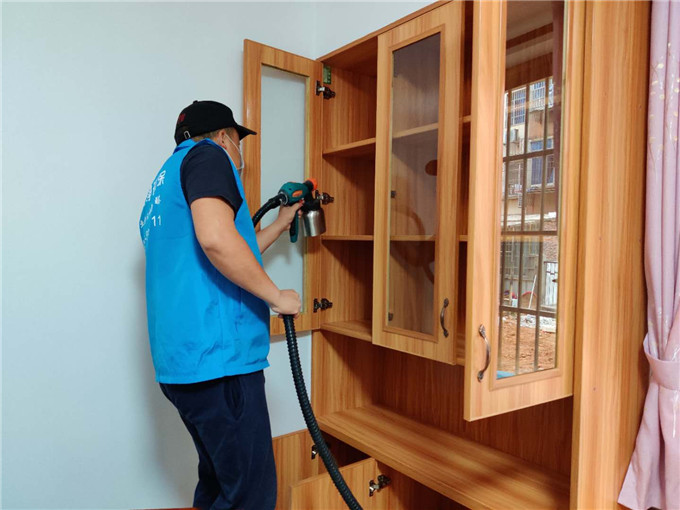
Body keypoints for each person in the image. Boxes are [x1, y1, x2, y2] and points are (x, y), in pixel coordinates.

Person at [139, 100, 302, 510]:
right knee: (250, 498)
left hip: (184, 365)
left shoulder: (164, 181)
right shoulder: (209, 156)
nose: (239, 155)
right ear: (226, 137)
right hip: (220, 362)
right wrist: (277, 297)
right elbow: (215, 240)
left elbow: (226, 249)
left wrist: (280, 224)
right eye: (238, 144)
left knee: (218, 485)